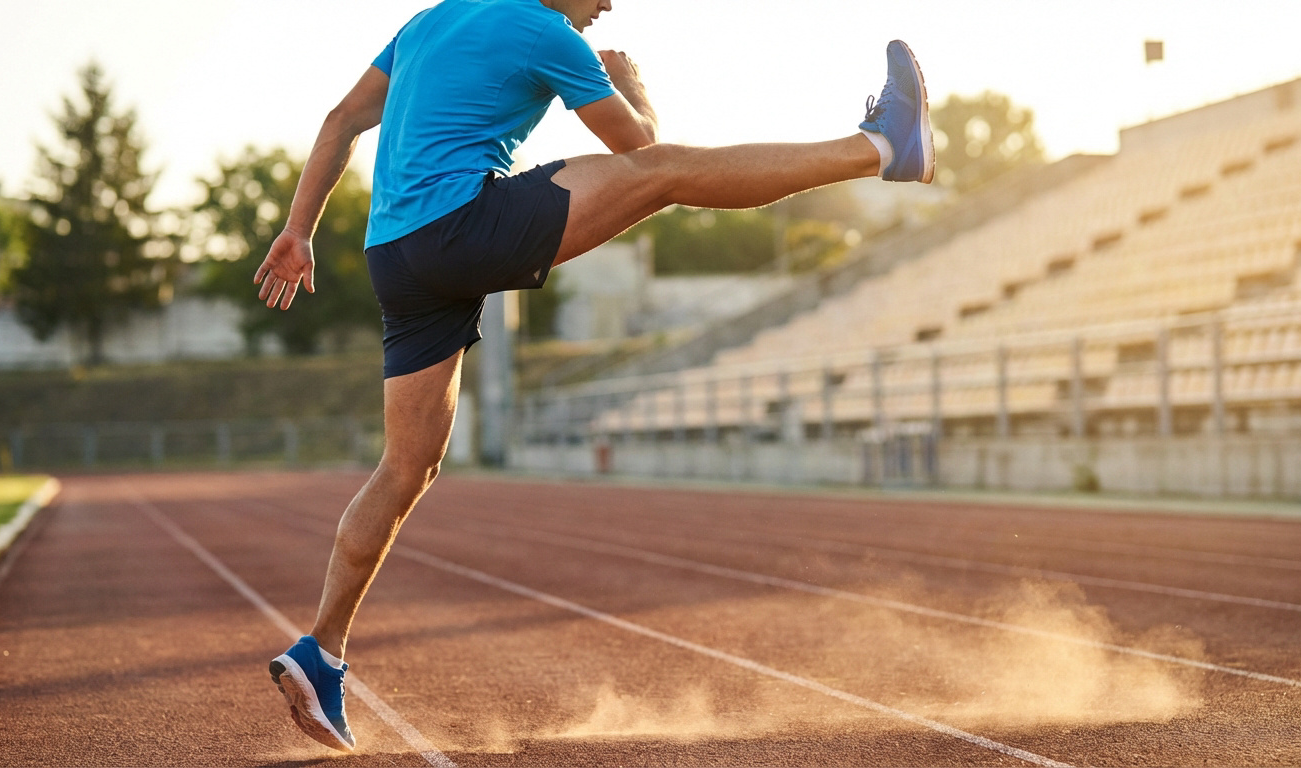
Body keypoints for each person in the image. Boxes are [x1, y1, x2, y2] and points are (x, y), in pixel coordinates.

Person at [260, 0, 933, 752]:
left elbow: (338, 121)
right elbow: (636, 146)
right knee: (669, 170)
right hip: (459, 226)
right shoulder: (543, 29)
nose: (608, 5)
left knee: (405, 466)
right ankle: (880, 147)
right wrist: (631, 84)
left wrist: (298, 229)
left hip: (395, 255)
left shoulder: (429, 21)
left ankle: (320, 652)